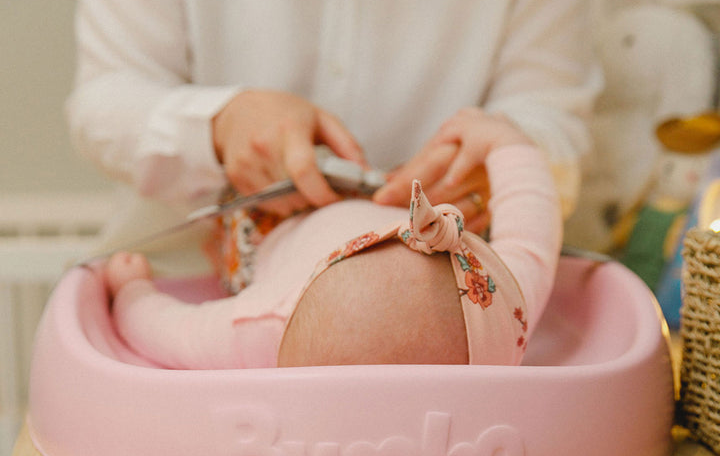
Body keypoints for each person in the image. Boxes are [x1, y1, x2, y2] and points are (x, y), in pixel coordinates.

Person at [67, 0, 601, 250]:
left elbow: (551, 113)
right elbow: (106, 99)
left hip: (440, 295)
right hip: (186, 275)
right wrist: (221, 124)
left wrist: (500, 162)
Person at [103, 116, 561, 369]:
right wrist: (503, 139)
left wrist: (132, 292)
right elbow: (530, 220)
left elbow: (169, 331)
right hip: (398, 196)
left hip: (272, 230)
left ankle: (222, 246)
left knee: (237, 231)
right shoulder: (503, 309)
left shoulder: (267, 321)